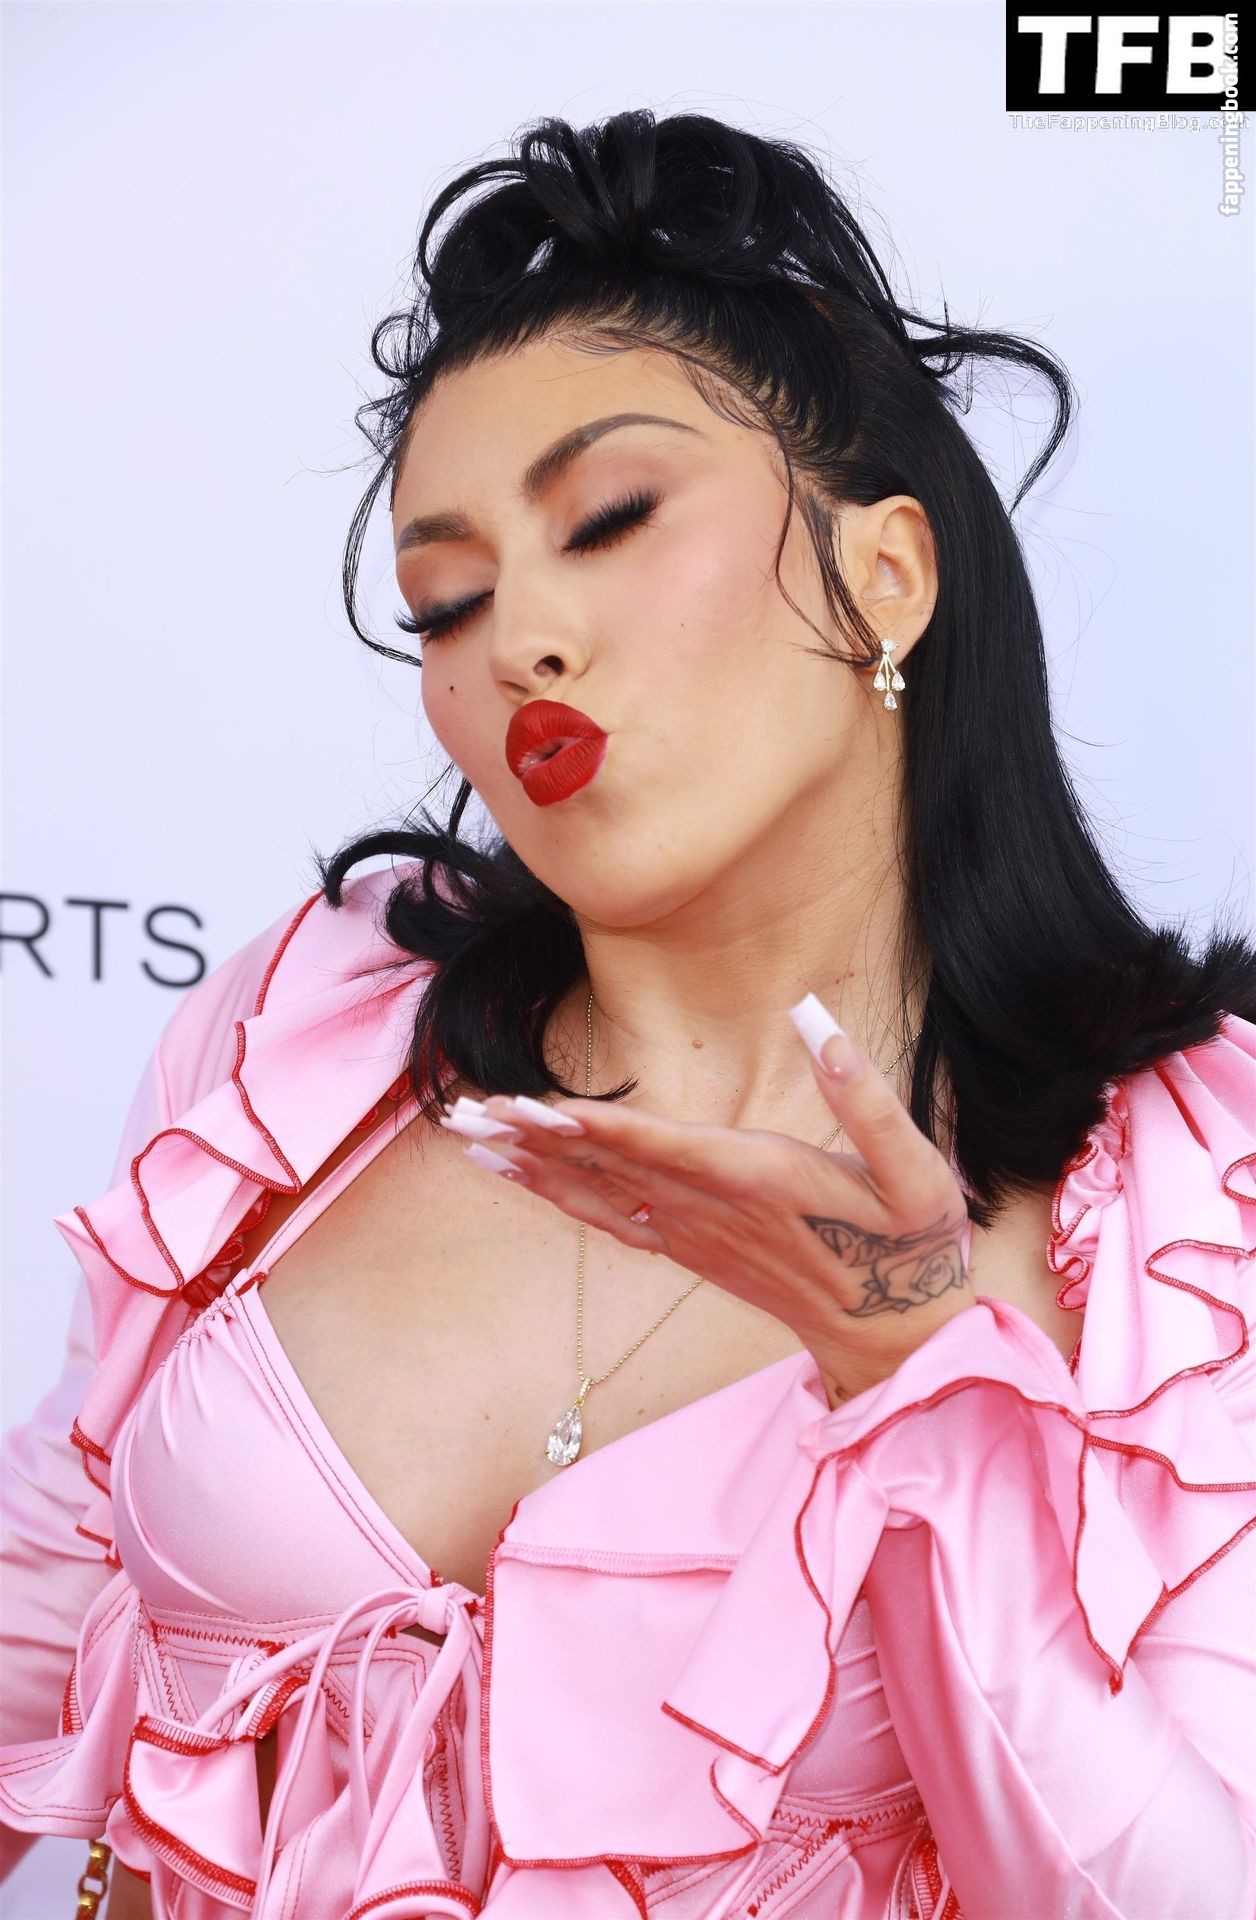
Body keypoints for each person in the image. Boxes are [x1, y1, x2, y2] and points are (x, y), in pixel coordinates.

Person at [2, 108, 1254, 1920]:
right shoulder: (314, 1026)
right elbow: (55, 1584)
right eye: (448, 599)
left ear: (886, 575)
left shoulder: (1194, 1196)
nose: (520, 637)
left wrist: (913, 1376)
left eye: (608, 519)